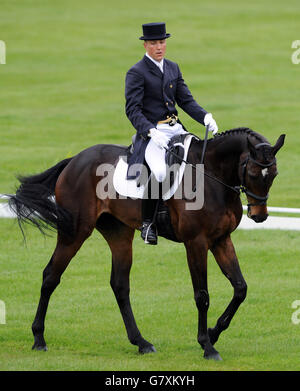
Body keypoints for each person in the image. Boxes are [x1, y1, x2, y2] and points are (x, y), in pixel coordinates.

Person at [125, 22, 218, 245]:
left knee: (198, 157)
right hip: (153, 133)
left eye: (162, 42)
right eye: (154, 43)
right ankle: (148, 224)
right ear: (145, 45)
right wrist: (149, 130)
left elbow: (185, 100)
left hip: (175, 128)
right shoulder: (136, 72)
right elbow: (132, 110)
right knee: (158, 172)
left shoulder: (173, 68)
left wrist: (205, 116)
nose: (159, 47)